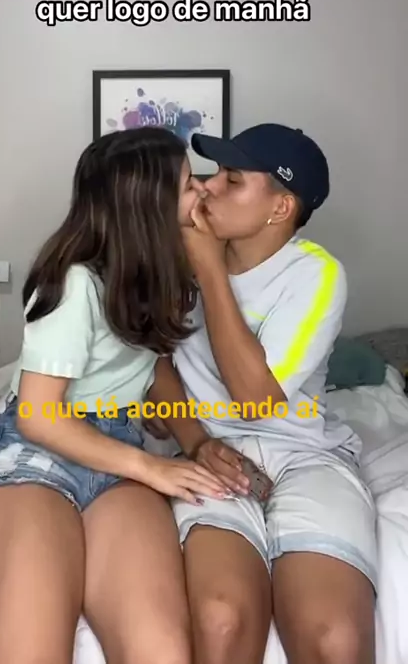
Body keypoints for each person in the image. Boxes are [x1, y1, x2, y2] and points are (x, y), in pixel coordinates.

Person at [0, 126, 230, 664]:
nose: (203, 191)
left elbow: (152, 364)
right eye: (189, 184)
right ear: (148, 207)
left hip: (117, 449)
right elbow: (38, 416)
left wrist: (196, 441)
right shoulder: (73, 282)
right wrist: (149, 467)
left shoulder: (156, 272)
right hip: (37, 452)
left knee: (163, 653)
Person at [149, 124, 377, 664]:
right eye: (213, 173)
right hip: (210, 449)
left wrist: (209, 269)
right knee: (222, 619)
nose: (208, 187)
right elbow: (153, 364)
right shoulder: (174, 259)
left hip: (304, 455)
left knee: (334, 638)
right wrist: (196, 441)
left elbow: (256, 401)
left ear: (280, 208)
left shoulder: (316, 274)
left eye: (232, 180)